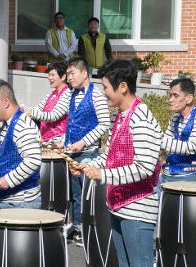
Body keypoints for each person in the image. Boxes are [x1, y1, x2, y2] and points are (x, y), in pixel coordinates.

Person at [71, 60, 162, 267]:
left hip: (137, 209)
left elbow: (144, 168)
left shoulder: (140, 117)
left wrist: (103, 175)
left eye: (105, 87)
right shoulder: (119, 116)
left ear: (122, 86)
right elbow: (109, 155)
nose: (103, 92)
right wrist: (87, 167)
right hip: (118, 206)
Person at [65, 57, 110, 245]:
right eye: (67, 74)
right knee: (75, 195)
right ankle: (77, 227)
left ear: (84, 73)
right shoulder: (73, 94)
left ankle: (89, 230)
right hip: (71, 153)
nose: (68, 78)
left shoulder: (97, 95)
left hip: (88, 154)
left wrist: (84, 142)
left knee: (86, 194)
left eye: (72, 73)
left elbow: (104, 123)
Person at [0, 79, 42, 209]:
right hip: (10, 200)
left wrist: (9, 180)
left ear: (6, 103)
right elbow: (10, 157)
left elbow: (33, 160)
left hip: (21, 203)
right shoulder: (7, 124)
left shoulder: (23, 125)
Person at [158, 78, 196, 191]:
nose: (170, 100)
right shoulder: (175, 117)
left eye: (175, 96)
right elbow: (165, 143)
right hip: (169, 172)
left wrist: (158, 140)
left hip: (190, 177)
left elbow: (192, 147)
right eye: (170, 95)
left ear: (189, 98)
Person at [24, 61, 70, 142]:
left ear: (63, 77)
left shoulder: (67, 93)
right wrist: (23, 110)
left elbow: (53, 116)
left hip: (58, 140)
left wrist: (31, 113)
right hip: (46, 138)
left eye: (53, 75)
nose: (50, 78)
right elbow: (38, 109)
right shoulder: (51, 94)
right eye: (49, 75)